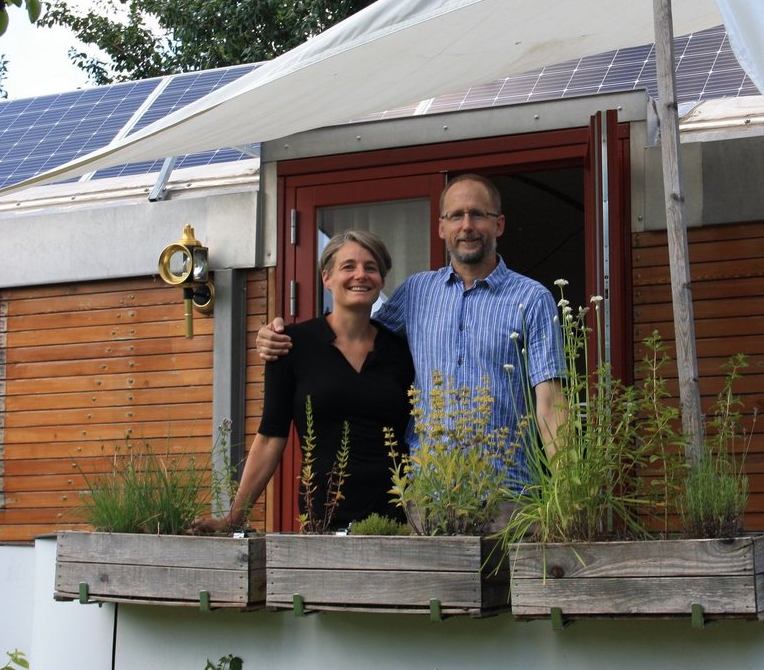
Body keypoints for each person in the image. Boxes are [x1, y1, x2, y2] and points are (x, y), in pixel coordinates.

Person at [257, 174, 565, 490]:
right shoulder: (417, 292)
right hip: (428, 494)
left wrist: (567, 496)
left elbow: (551, 405)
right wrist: (281, 334)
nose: (466, 226)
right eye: (455, 216)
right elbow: (356, 329)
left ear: (498, 224)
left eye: (477, 214)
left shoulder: (532, 299)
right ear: (441, 227)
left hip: (508, 491)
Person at [193, 230, 413, 533]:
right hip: (323, 521)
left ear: (382, 279)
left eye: (370, 267)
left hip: (397, 524)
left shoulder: (402, 351)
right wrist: (234, 517)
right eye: (348, 266)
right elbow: (270, 437)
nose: (360, 275)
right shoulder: (290, 345)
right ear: (327, 277)